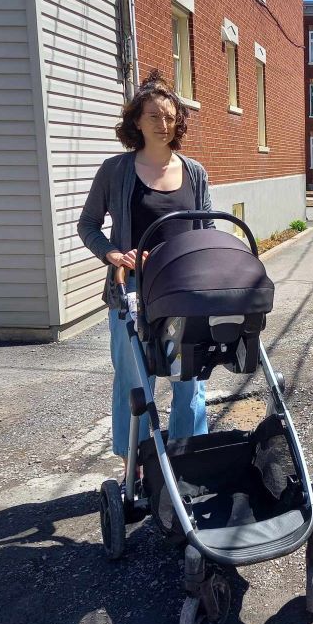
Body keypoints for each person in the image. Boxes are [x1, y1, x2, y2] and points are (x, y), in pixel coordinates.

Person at [78, 71, 210, 475]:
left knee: (190, 378)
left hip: (184, 291)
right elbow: (88, 225)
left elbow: (206, 231)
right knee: (135, 381)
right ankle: (133, 466)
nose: (162, 123)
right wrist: (113, 254)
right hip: (132, 292)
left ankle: (189, 461)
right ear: (136, 120)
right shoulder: (115, 170)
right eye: (153, 115)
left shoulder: (194, 172)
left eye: (170, 116)